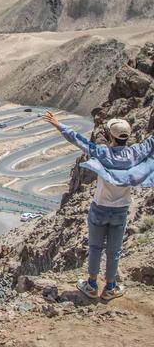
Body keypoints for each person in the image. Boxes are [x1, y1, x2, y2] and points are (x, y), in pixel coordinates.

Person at [42, 112, 154, 300]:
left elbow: (78, 140)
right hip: (121, 210)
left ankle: (92, 285)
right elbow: (151, 143)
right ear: (127, 136)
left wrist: (59, 124)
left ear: (111, 136)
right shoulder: (135, 153)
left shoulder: (103, 153)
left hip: (100, 208)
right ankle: (110, 287)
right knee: (114, 250)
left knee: (95, 247)